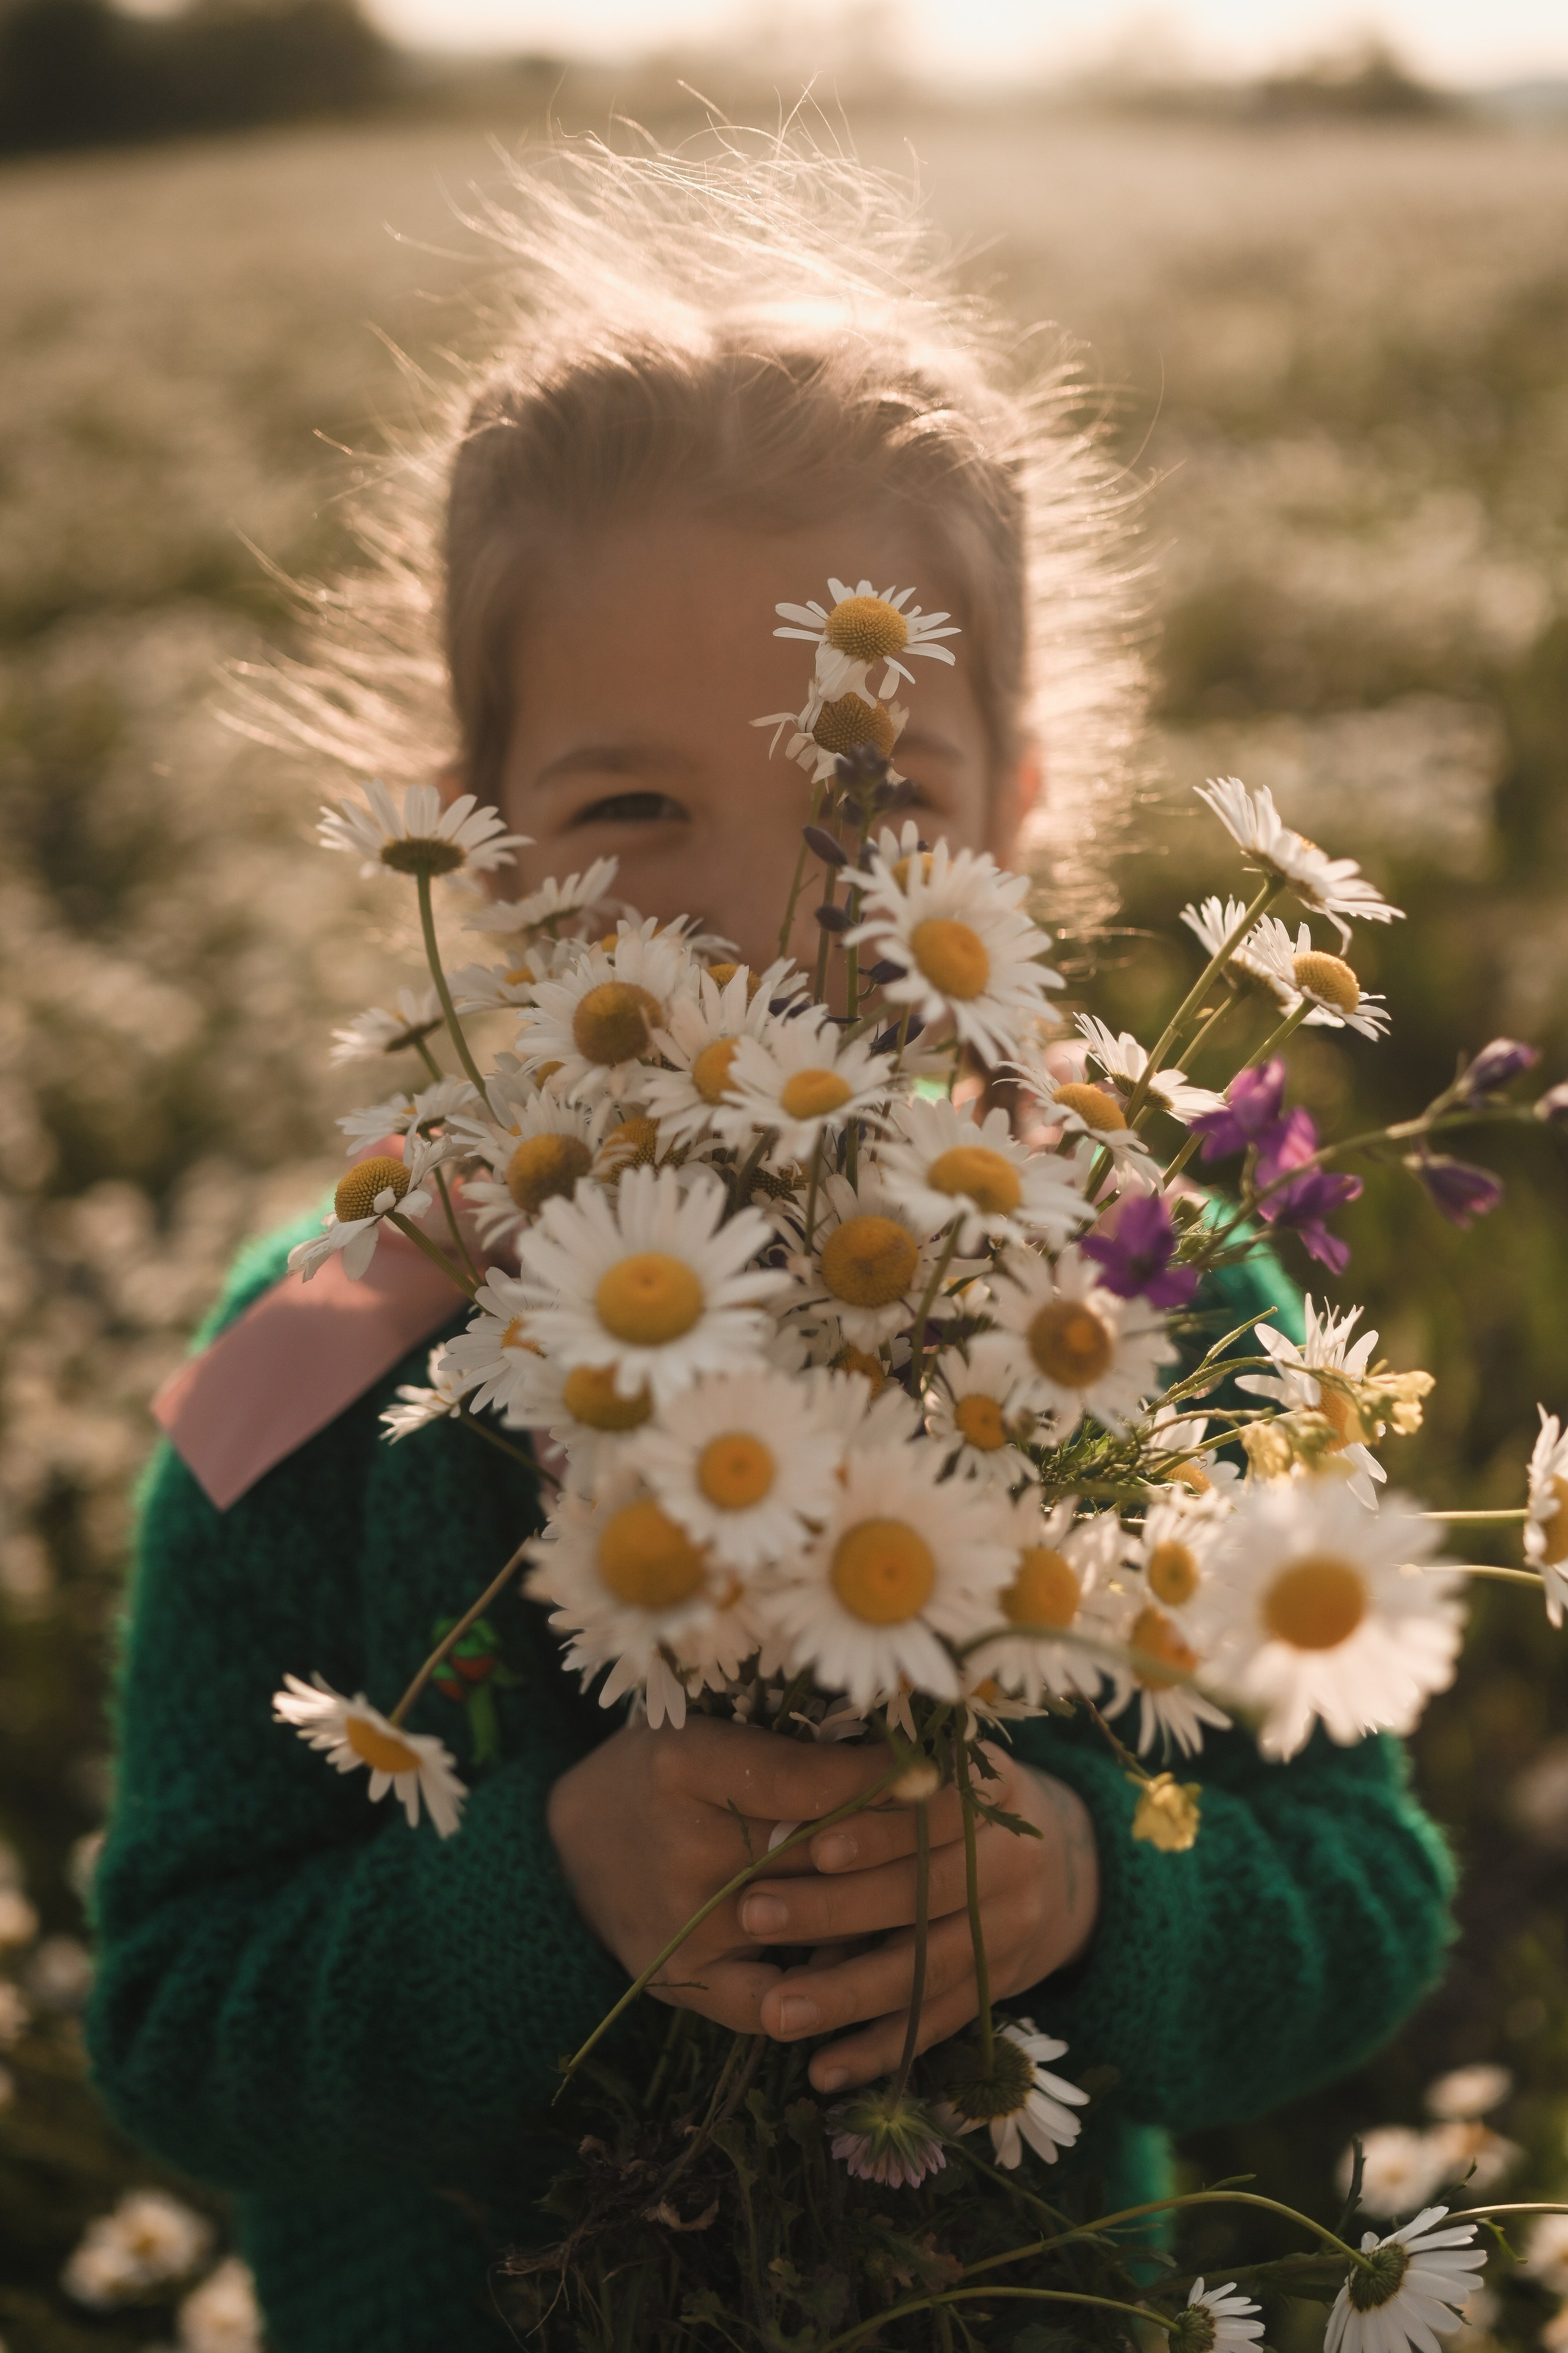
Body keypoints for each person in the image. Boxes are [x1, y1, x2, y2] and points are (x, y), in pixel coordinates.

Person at [85, 137, 1455, 2352]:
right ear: (481, 840)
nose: (763, 923)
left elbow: (1366, 1895)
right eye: (631, 810)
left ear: (1019, 812)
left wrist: (1096, 1890)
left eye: (878, 800)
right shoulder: (319, 1355)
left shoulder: (1160, 1304)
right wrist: (542, 1892)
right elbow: (170, 2020)